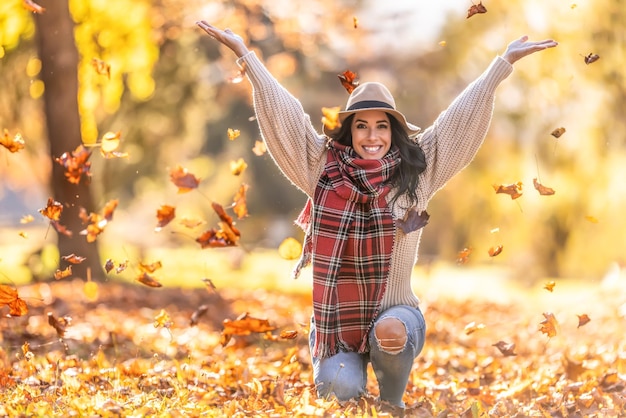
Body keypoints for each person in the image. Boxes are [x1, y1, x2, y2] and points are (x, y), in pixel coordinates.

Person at [197, 20, 557, 410]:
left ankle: (391, 402)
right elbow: (285, 118)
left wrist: (501, 65)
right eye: (362, 126)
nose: (372, 136)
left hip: (396, 316)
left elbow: (459, 120)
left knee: (388, 330)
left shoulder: (416, 172)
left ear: (393, 131)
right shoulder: (323, 170)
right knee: (342, 390)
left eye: (382, 126)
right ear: (349, 131)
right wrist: (246, 56)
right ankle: (347, 373)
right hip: (339, 326)